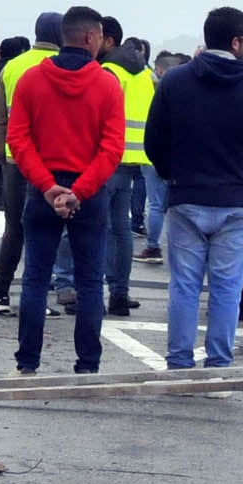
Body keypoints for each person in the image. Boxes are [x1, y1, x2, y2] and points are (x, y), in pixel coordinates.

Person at [145, 6, 243, 369]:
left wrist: (171, 174)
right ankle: (218, 367)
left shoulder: (175, 81)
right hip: (237, 201)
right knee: (227, 288)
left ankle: (178, 363)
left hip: (187, 196)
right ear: (236, 41)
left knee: (185, 286)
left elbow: (154, 140)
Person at [6, 5, 126, 375]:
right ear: (90, 37)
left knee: (36, 278)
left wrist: (46, 186)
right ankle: (87, 364)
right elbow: (112, 147)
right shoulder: (107, 84)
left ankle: (27, 363)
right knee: (91, 281)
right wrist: (80, 191)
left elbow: (18, 138)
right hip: (87, 192)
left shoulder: (30, 80)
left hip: (43, 189)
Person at [0, 15, 60, 315]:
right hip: (52, 163)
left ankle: (0, 293)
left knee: (14, 229)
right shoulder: (65, 66)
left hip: (16, 161)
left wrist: (2, 152)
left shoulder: (13, 66)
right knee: (46, 231)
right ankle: (37, 296)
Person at [100, 17, 152, 310]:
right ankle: (119, 292)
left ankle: (90, 289)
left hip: (108, 157)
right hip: (134, 158)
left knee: (99, 227)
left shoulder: (110, 70)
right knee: (121, 228)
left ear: (108, 40)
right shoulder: (143, 71)